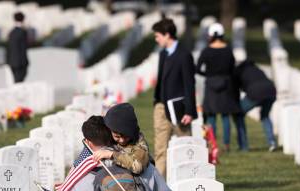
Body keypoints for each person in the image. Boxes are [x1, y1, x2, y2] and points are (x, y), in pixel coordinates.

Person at [152, 18, 198, 177]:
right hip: (161, 107)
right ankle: (159, 189)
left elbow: (189, 84)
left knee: (186, 148)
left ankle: (190, 181)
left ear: (167, 35)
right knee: (160, 150)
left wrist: (189, 111)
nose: (156, 39)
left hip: (179, 110)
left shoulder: (184, 55)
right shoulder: (163, 54)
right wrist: (157, 102)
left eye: (157, 36)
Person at [197, 23, 247, 151]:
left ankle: (212, 144)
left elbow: (198, 68)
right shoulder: (228, 50)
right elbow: (232, 69)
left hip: (211, 86)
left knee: (211, 116)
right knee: (225, 116)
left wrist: (208, 74)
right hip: (226, 84)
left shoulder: (207, 51)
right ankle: (226, 144)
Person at [92, 103, 151, 175]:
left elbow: (138, 166)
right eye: (117, 136)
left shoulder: (138, 141)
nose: (122, 140)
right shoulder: (108, 132)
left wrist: (112, 155)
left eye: (126, 136)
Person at [234, 59, 278, 151]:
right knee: (265, 116)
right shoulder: (257, 69)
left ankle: (244, 146)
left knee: (238, 114)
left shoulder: (239, 71)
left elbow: (237, 89)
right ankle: (272, 142)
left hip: (255, 93)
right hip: (271, 91)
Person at [7, 12, 29, 83]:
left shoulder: (11, 32)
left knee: (16, 81)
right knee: (19, 83)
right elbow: (23, 48)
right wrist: (25, 62)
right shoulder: (23, 32)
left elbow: (9, 48)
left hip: (12, 62)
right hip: (21, 62)